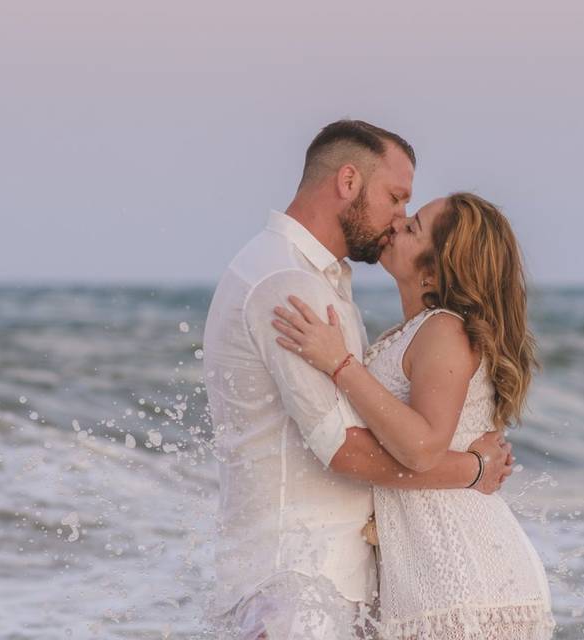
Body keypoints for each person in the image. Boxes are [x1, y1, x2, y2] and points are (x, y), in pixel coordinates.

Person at [202, 120, 515, 640]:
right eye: (396, 198)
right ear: (348, 182)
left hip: (324, 578)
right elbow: (345, 450)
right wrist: (473, 468)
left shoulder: (313, 277)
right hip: (298, 582)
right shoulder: (290, 285)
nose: (399, 218)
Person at [272, 193, 555, 639]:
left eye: (413, 227)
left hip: (460, 580)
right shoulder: (421, 331)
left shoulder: (444, 328)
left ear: (435, 269)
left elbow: (422, 448)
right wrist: (476, 467)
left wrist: (340, 364)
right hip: (442, 575)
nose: (398, 223)